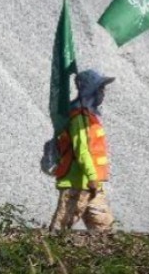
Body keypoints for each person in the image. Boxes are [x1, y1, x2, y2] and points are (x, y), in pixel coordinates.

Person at [49, 68, 116, 232]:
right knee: (60, 229)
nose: (103, 93)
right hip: (77, 183)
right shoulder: (78, 117)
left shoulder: (89, 116)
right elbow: (82, 151)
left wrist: (94, 180)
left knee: (104, 230)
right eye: (100, 88)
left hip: (93, 184)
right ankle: (46, 255)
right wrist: (92, 177)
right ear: (90, 90)